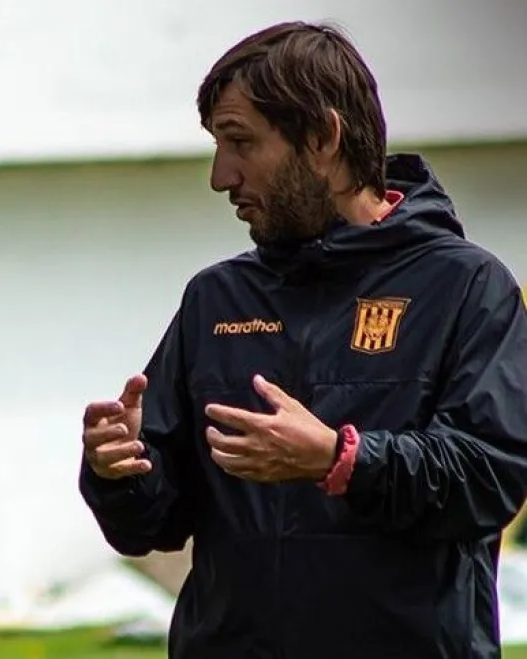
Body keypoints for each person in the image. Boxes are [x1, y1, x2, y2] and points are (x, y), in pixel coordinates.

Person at [79, 21, 527, 659]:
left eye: (240, 142)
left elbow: (490, 477)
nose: (219, 175)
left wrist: (340, 460)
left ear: (322, 137)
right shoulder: (216, 298)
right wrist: (117, 471)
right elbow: (154, 523)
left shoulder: (466, 286)